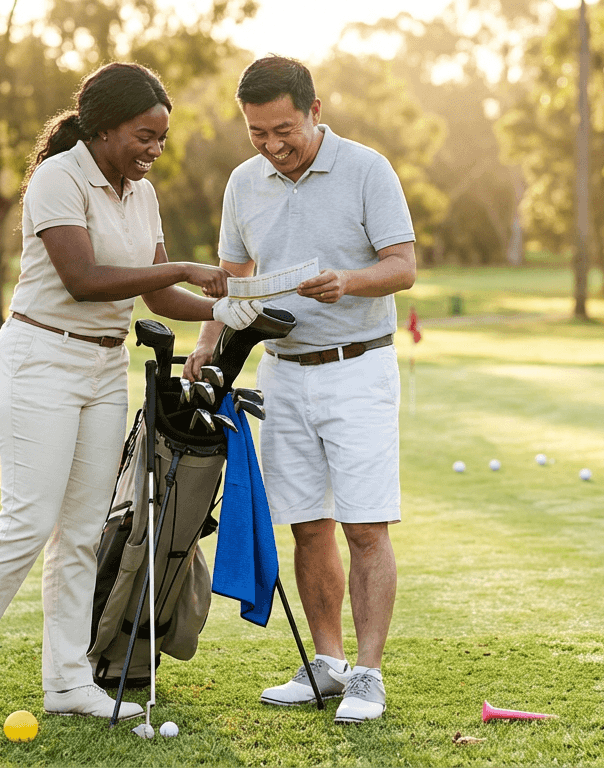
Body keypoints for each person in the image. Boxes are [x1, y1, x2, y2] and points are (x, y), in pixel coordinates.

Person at [0, 62, 261, 727]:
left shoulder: (141, 193)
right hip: (39, 359)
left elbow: (158, 295)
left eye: (161, 138)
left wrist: (230, 309)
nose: (154, 151)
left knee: (79, 533)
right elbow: (83, 278)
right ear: (103, 129)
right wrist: (186, 266)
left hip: (105, 370)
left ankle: (68, 682)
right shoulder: (57, 178)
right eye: (144, 136)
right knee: (26, 523)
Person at [184, 55, 416, 725]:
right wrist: (206, 346)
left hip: (358, 366)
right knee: (308, 526)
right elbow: (229, 280)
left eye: (283, 128)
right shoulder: (242, 183)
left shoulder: (367, 169)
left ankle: (368, 675)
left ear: (315, 111)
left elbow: (402, 267)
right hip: (282, 370)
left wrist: (349, 280)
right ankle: (328, 663)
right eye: (257, 132)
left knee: (365, 527)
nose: (272, 144)